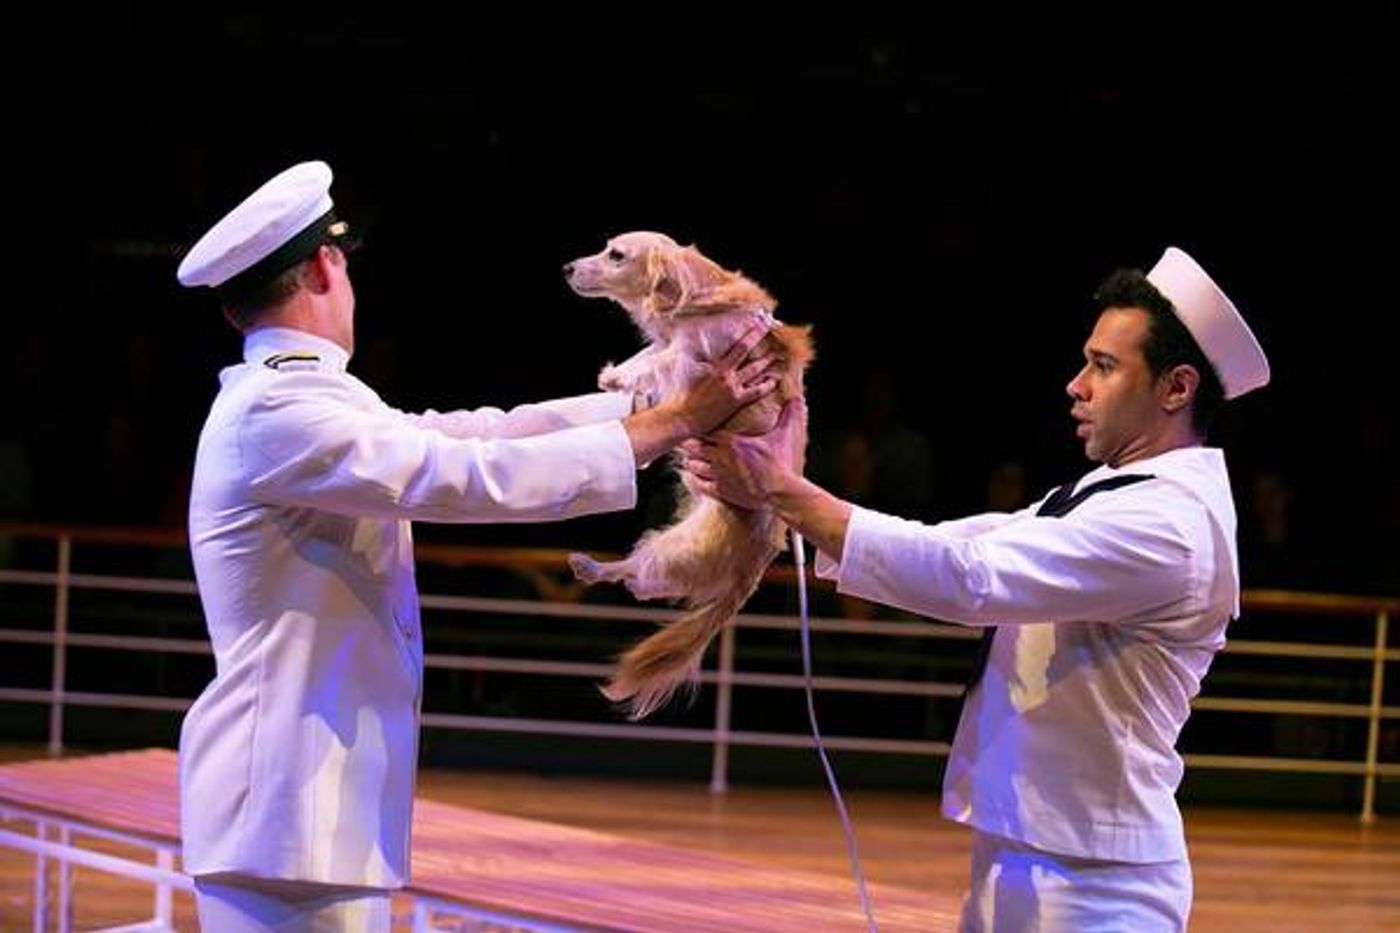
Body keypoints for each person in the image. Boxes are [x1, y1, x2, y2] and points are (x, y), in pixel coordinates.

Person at [173, 159, 775, 931]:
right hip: (286, 813)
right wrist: (679, 419)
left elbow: (473, 434)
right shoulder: (279, 410)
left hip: (307, 813)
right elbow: (458, 476)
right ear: (325, 266)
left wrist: (653, 402)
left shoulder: (305, 395)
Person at [681, 246, 1269, 932]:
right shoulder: (1121, 489)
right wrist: (788, 496)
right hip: (1039, 858)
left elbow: (970, 578)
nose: (1076, 385)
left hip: (1096, 888)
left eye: (1104, 366)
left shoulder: (1168, 525)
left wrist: (780, 490)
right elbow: (965, 544)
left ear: (1176, 389)